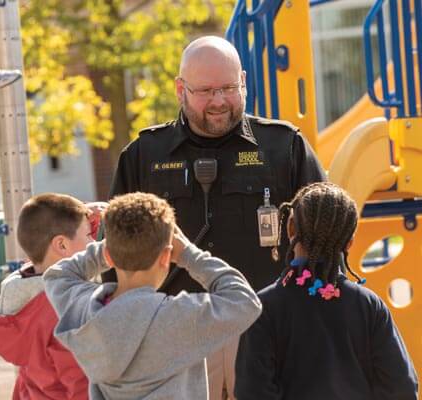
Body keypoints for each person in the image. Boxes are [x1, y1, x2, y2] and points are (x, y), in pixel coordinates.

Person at [107, 35, 326, 398]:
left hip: (265, 331)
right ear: (181, 89)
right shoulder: (144, 155)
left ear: (243, 80)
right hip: (176, 338)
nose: (219, 101)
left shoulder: (284, 146)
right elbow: (113, 252)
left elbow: (324, 234)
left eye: (228, 88)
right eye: (206, 91)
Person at [44, 192, 262, 400]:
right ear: (167, 256)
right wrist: (189, 254)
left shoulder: (85, 311)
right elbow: (245, 301)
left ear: (109, 255)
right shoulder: (179, 317)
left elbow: (58, 275)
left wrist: (113, 246)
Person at [235, 182, 418, 400]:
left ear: (291, 228)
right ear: (349, 243)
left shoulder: (262, 308)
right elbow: (402, 389)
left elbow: (253, 392)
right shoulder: (369, 306)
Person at [0, 194, 100, 400]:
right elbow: (81, 384)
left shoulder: (21, 296)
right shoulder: (66, 310)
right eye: (89, 235)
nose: (94, 242)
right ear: (62, 245)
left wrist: (84, 218)